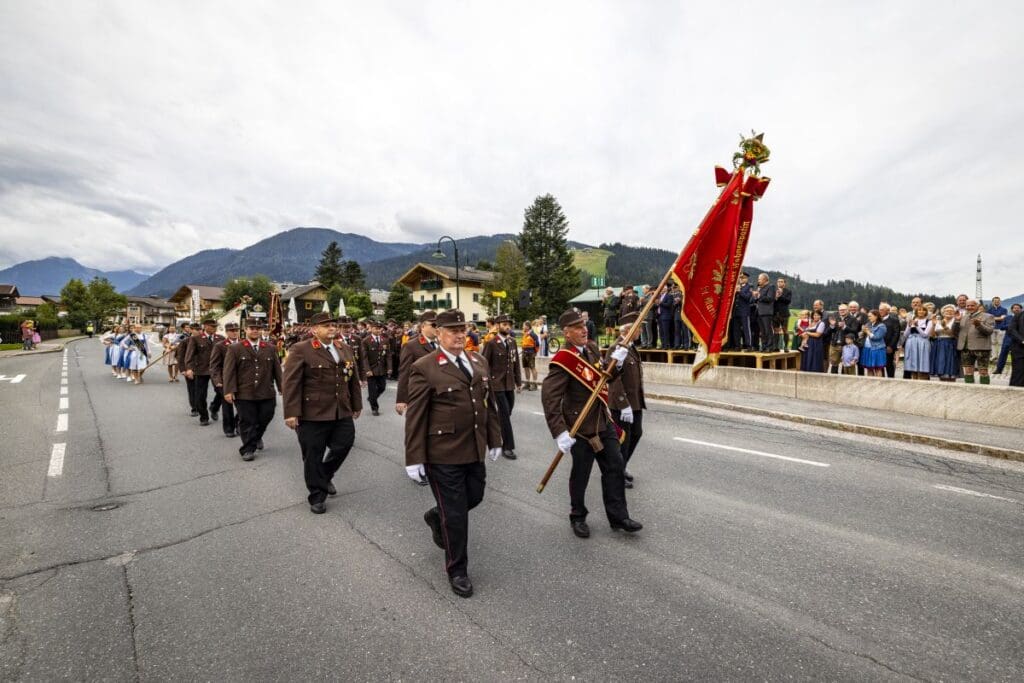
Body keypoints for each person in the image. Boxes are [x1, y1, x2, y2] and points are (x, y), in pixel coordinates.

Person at [403, 309, 502, 598]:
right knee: (457, 516)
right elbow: (416, 416)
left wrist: (495, 438)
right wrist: (414, 457)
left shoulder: (478, 360)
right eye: (452, 330)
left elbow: (488, 404)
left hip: (473, 448)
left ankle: (437, 516)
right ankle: (457, 570)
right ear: (439, 333)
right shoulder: (426, 366)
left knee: (476, 496)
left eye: (463, 329)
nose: (460, 335)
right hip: (442, 453)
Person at [541, 308, 642, 539]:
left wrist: (616, 366)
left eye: (584, 325)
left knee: (615, 467)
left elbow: (604, 380)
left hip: (602, 421)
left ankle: (619, 517)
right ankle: (578, 516)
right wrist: (559, 432)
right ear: (567, 333)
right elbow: (550, 397)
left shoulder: (592, 348)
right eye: (577, 327)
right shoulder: (563, 361)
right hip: (580, 428)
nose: (584, 329)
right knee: (581, 474)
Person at [282, 312, 362, 513]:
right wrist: (291, 412)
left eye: (333, 325)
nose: (332, 328)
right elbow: (291, 383)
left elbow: (352, 377)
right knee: (313, 454)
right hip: (312, 413)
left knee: (344, 444)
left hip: (340, 409)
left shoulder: (344, 348)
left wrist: (357, 404)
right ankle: (317, 495)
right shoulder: (301, 349)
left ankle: (324, 476)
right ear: (314, 329)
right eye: (326, 325)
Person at [224, 320, 283, 461]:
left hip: (266, 392)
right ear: (246, 330)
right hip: (245, 393)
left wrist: (282, 387)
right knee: (247, 421)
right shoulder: (235, 348)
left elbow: (277, 370)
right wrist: (229, 390)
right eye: (252, 328)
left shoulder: (270, 348)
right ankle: (248, 449)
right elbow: (229, 372)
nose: (255, 330)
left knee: (266, 417)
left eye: (258, 328)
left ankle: (256, 437)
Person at [608, 312, 645, 488]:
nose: (641, 330)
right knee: (623, 440)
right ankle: (616, 473)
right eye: (639, 327)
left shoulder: (631, 346)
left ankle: (621, 467)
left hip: (635, 402)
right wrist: (623, 404)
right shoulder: (616, 347)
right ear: (629, 329)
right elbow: (613, 379)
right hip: (622, 404)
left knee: (636, 433)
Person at [482, 313, 523, 459]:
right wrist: (485, 383)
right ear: (498, 326)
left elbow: (515, 363)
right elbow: (484, 364)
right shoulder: (491, 343)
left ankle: (492, 433)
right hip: (496, 384)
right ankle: (507, 447)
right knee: (505, 415)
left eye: (509, 324)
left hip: (509, 383)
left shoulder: (512, 342)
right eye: (504, 324)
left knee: (507, 412)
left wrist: (518, 382)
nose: (508, 327)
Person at [395, 311, 439, 421]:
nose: (437, 328)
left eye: (439, 325)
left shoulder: (441, 344)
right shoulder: (411, 346)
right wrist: (401, 399)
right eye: (433, 325)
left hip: (440, 395)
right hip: (420, 395)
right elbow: (405, 373)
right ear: (423, 326)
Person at [183, 318, 223, 426]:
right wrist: (189, 368)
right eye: (212, 326)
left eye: (215, 326)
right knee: (200, 395)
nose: (215, 328)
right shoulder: (196, 338)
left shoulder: (220, 338)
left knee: (222, 392)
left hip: (217, 370)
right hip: (201, 370)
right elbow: (189, 355)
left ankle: (214, 407)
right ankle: (204, 416)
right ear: (205, 326)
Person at [209, 322, 241, 437]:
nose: (234, 332)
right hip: (224, 379)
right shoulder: (220, 345)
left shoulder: (243, 344)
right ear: (227, 332)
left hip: (240, 380)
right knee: (227, 405)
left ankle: (238, 424)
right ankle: (229, 428)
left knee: (242, 406)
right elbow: (214, 366)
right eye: (232, 330)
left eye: (236, 330)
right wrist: (217, 381)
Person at [956, 299, 994, 384]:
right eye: (968, 306)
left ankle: (985, 389)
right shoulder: (964, 316)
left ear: (978, 306)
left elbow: (989, 331)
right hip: (965, 347)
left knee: (983, 372)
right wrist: (956, 321)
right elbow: (956, 332)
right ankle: (969, 389)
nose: (969, 307)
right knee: (968, 371)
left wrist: (979, 325)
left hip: (981, 348)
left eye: (972, 305)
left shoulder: (988, 316)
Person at [360, 319, 391, 416]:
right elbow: (364, 357)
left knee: (382, 387)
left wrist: (389, 367)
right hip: (371, 369)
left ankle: (371, 398)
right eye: (376, 328)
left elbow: (388, 355)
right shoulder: (366, 341)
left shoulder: (385, 340)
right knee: (372, 390)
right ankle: (374, 408)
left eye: (379, 329)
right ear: (371, 328)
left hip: (381, 369)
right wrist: (367, 370)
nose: (378, 330)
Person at [902, 306, 934, 380]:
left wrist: (917, 326)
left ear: (926, 312)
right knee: (913, 365)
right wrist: (909, 326)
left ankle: (924, 380)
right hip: (912, 343)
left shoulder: (929, 322)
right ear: (916, 312)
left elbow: (925, 335)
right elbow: (906, 334)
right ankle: (914, 380)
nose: (921, 311)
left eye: (923, 310)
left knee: (923, 364)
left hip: (922, 343)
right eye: (919, 310)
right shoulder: (912, 320)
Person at [932, 305, 959, 382]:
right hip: (939, 343)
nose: (949, 312)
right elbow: (933, 335)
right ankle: (942, 379)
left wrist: (945, 328)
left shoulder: (955, 321)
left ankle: (951, 379)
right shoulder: (938, 321)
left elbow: (954, 334)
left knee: (950, 361)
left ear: (954, 313)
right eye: (947, 311)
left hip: (950, 342)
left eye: (951, 311)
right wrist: (933, 324)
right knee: (941, 361)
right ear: (943, 313)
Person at [994, 303, 1022, 375]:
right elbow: (1001, 327)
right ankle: (999, 370)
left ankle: (1016, 371)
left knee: (1017, 357)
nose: (1016, 309)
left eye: (1018, 308)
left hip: (1019, 341)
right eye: (1014, 308)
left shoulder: (1022, 318)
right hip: (1007, 339)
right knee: (1003, 355)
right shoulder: (1007, 318)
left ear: (1021, 309)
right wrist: (1010, 325)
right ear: (1012, 309)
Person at [729, 272, 753, 351]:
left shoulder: (749, 287)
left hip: (744, 311)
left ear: (746, 279)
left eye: (743, 278)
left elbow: (747, 297)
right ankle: (737, 345)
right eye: (740, 278)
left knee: (746, 329)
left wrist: (739, 291)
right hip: (736, 311)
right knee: (736, 329)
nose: (741, 279)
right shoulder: (736, 287)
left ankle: (749, 345)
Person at [859, 309, 887, 377]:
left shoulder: (882, 326)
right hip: (867, 349)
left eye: (870, 316)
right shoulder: (868, 324)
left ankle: (878, 385)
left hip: (877, 349)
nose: (869, 318)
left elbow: (876, 337)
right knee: (869, 369)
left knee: (878, 368)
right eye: (868, 316)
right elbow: (861, 336)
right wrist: (862, 332)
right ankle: (870, 385)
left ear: (876, 316)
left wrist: (867, 332)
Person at [752, 273, 776, 352]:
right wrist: (755, 296)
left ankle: (769, 347)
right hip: (759, 312)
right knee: (762, 331)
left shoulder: (770, 287)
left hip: (766, 312)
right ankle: (764, 346)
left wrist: (759, 296)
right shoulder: (760, 288)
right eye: (758, 279)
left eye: (759, 279)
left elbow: (770, 298)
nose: (758, 280)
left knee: (768, 330)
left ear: (765, 279)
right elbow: (757, 300)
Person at [175, 323, 195, 413]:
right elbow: (180, 355)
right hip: (188, 367)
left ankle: (201, 406)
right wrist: (182, 369)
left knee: (201, 390)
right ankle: (194, 407)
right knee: (192, 389)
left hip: (202, 369)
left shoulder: (205, 340)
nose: (198, 331)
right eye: (194, 329)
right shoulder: (184, 339)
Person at [880, 303, 902, 378]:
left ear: (888, 310)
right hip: (878, 346)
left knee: (889, 364)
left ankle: (891, 379)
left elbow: (896, 334)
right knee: (879, 365)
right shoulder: (878, 319)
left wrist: (891, 346)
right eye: (879, 309)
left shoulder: (894, 320)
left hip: (888, 347)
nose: (880, 311)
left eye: (882, 310)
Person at [827, 304, 849, 373]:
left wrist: (845, 327)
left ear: (847, 310)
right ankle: (833, 379)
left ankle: (843, 380)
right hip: (834, 344)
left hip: (846, 345)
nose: (842, 311)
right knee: (834, 363)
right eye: (840, 310)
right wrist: (832, 325)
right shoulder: (835, 318)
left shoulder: (852, 319)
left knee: (845, 364)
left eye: (843, 310)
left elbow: (854, 331)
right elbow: (827, 331)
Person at [773, 277, 793, 351]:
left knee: (785, 331)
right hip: (775, 314)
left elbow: (788, 301)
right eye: (778, 281)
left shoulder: (788, 291)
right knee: (776, 331)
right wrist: (775, 298)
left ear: (784, 283)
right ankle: (776, 347)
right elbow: (772, 302)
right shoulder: (774, 291)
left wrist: (780, 296)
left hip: (784, 314)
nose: (779, 283)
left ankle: (786, 347)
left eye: (781, 281)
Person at [1007, 302, 1024, 387]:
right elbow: (1011, 330)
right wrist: (1022, 340)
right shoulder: (1019, 315)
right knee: (1019, 370)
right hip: (1019, 348)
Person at [987, 296, 1008, 362]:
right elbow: (988, 319)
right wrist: (997, 318)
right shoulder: (989, 310)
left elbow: (1002, 318)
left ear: (1000, 301)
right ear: (993, 302)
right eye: (995, 301)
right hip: (992, 328)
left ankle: (999, 357)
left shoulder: (1004, 309)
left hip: (1001, 328)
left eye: (998, 301)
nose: (996, 302)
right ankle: (994, 356)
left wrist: (993, 318)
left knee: (1000, 343)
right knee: (992, 343)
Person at [520, 320, 540, 390]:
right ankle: (527, 383)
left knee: (532, 368)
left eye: (524, 325)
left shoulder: (533, 334)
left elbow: (537, 344)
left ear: (527, 327)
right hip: (524, 352)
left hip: (530, 353)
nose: (523, 327)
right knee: (526, 368)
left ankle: (535, 384)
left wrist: (535, 352)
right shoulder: (525, 333)